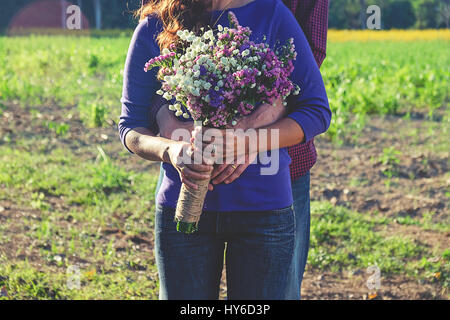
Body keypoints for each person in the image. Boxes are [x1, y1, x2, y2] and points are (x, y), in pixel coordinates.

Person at [119, 0, 331, 299]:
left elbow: (316, 111)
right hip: (183, 208)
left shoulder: (272, 14)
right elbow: (130, 128)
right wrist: (171, 151)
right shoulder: (156, 24)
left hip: (264, 209)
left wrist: (249, 142)